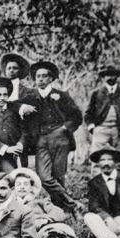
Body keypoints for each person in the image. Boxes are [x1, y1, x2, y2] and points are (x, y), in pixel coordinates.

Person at [21, 60, 82, 212]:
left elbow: (77, 116)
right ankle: (72, 204)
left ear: (50, 79)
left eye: (43, 76)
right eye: (37, 76)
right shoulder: (30, 96)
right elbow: (15, 105)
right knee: (44, 177)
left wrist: (64, 128)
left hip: (60, 137)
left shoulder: (61, 95)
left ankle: (60, 208)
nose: (40, 79)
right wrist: (21, 107)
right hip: (41, 138)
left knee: (59, 174)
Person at [6, 168, 103, 238]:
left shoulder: (40, 202)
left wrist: (45, 219)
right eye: (19, 184)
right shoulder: (10, 206)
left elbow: (59, 213)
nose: (22, 187)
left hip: (46, 234)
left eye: (26, 184)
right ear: (13, 188)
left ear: (31, 188)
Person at [84, 65, 120, 156]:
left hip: (118, 130)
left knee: (117, 158)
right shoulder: (96, 93)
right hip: (100, 129)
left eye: (113, 75)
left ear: (117, 77)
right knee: (96, 156)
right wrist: (91, 127)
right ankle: (96, 170)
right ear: (103, 77)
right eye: (108, 75)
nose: (111, 77)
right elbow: (88, 113)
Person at [0, 52, 37, 166]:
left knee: (21, 166)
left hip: (21, 133)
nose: (11, 70)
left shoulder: (28, 92)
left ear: (20, 71)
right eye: (9, 68)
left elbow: (31, 115)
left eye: (14, 68)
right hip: (2, 132)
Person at [0, 77, 26, 173]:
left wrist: (20, 143)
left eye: (5, 95)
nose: (2, 98)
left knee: (22, 177)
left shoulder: (14, 111)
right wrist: (6, 149)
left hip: (17, 153)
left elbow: (24, 130)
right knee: (11, 176)